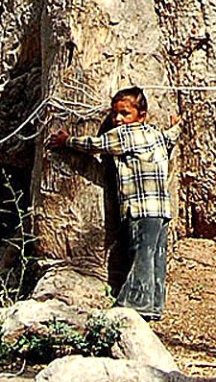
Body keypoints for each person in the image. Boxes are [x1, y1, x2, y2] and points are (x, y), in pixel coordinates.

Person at [48, 86, 182, 320]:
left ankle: (133, 304)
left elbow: (95, 144)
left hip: (139, 209)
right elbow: (171, 138)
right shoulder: (156, 135)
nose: (118, 119)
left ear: (141, 115)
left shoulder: (124, 136)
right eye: (115, 114)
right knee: (156, 256)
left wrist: (67, 140)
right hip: (161, 210)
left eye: (125, 114)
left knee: (140, 254)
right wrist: (176, 126)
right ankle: (155, 305)